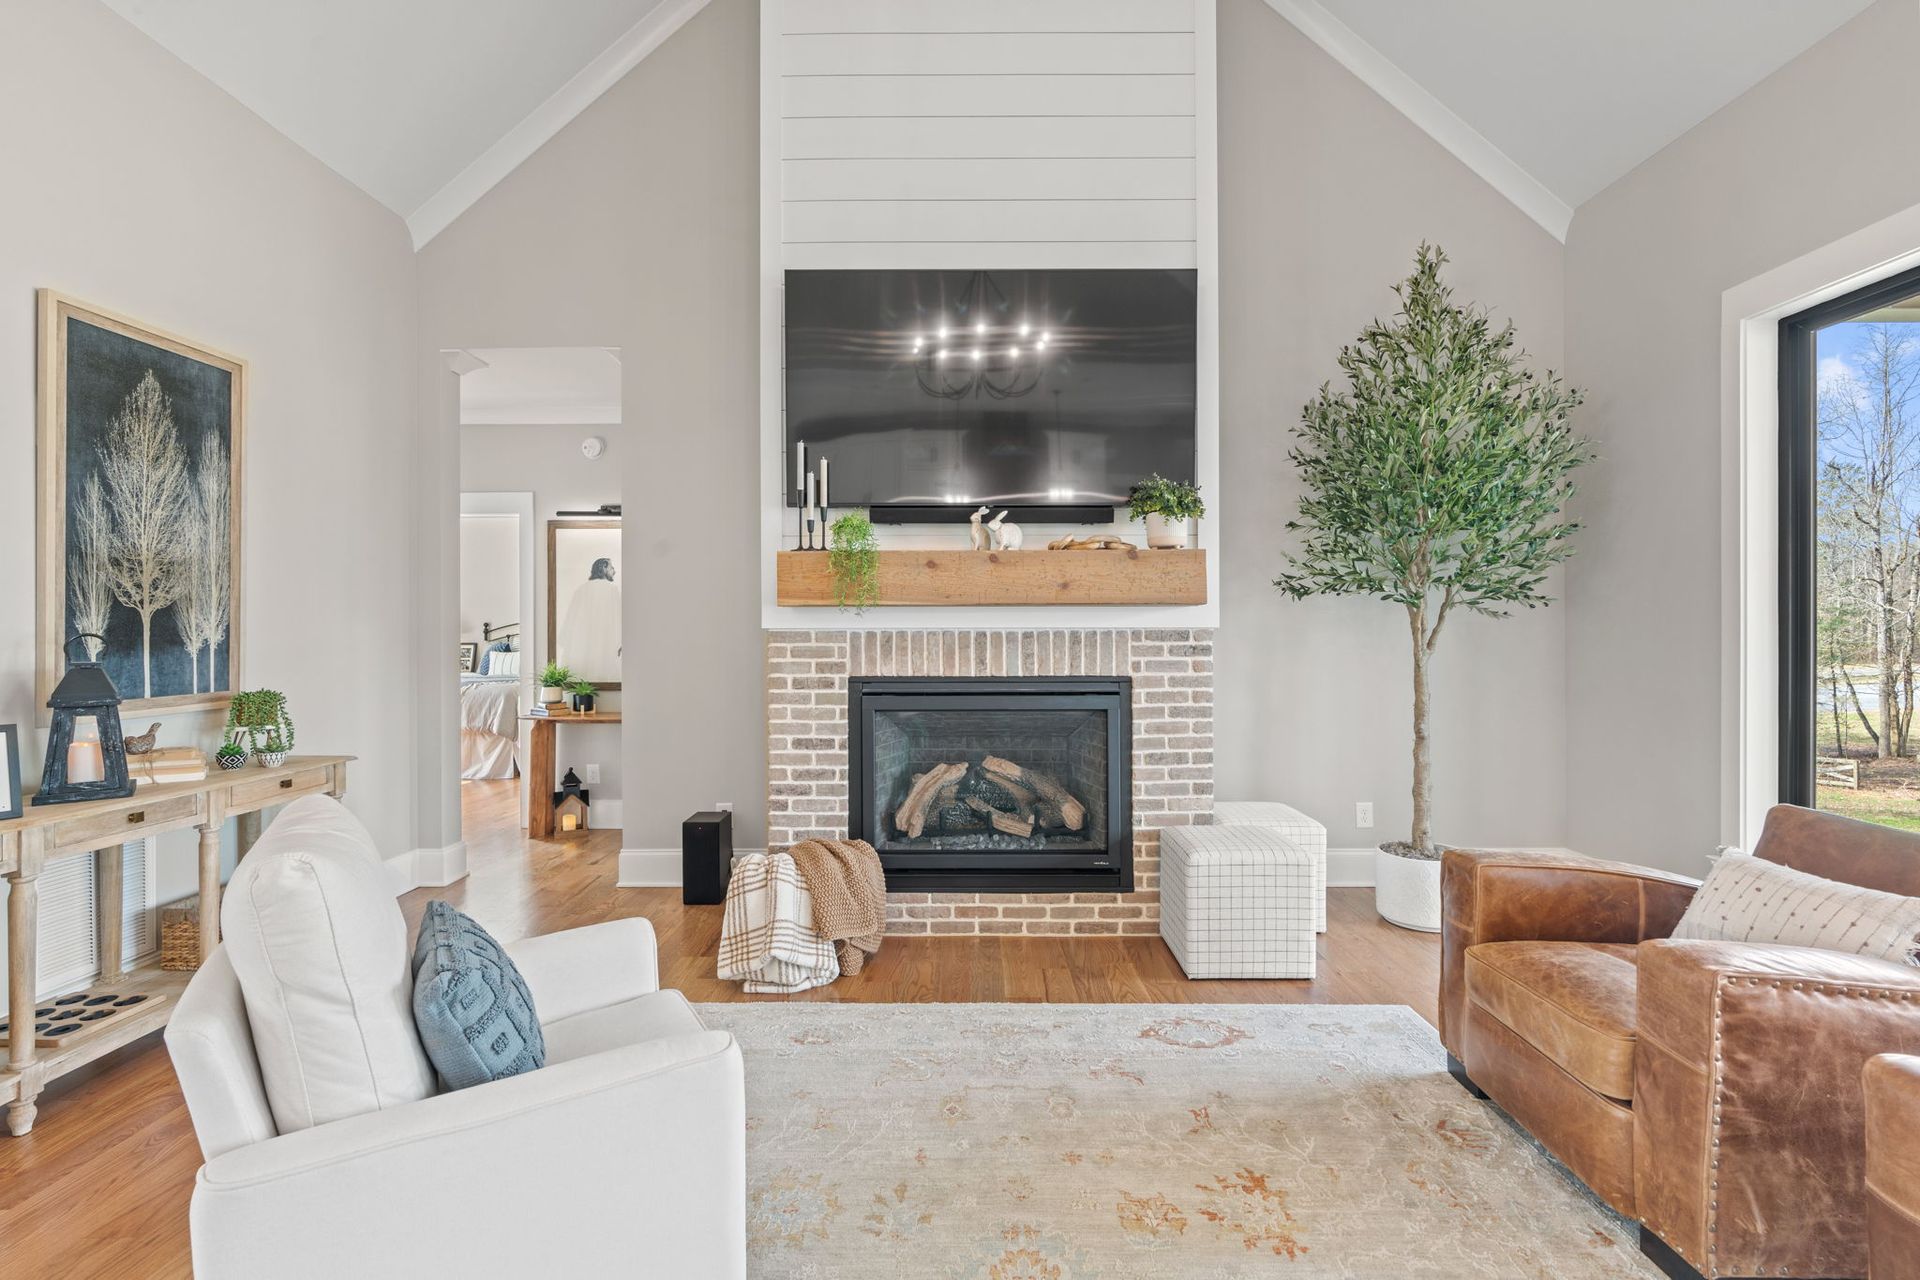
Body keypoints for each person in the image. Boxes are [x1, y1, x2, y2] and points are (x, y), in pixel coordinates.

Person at [558, 556, 620, 683]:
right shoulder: (612, 589)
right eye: (612, 567)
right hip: (604, 645)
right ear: (603, 567)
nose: (614, 571)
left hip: (581, 646)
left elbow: (569, 621)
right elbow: (618, 619)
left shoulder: (580, 590)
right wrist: (620, 642)